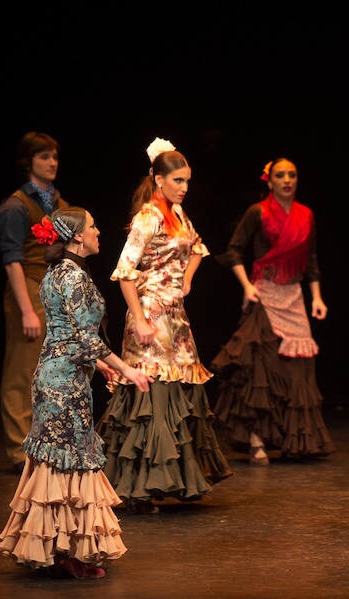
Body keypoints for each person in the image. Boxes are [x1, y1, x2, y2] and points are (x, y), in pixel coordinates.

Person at [0, 206, 153, 579]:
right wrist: (125, 368)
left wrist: (97, 366)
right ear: (79, 237)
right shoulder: (75, 279)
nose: (99, 231)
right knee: (69, 462)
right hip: (64, 384)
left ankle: (55, 547)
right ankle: (68, 551)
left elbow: (63, 336)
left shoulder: (55, 274)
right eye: (94, 225)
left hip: (54, 375)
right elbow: (83, 338)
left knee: (56, 463)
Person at [97, 138, 232, 515]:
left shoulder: (178, 214)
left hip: (176, 315)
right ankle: (140, 486)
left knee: (176, 390)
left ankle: (173, 480)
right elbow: (124, 272)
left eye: (187, 181)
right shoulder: (148, 216)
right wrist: (139, 318)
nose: (184, 187)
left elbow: (199, 248)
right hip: (151, 313)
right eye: (177, 180)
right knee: (150, 395)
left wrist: (186, 279)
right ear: (158, 179)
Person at [209, 157, 335, 465]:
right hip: (264, 294)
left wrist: (316, 298)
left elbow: (312, 261)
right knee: (260, 368)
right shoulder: (259, 212)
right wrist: (246, 286)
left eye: (292, 174)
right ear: (270, 180)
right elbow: (235, 250)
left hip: (293, 295)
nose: (287, 180)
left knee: (297, 370)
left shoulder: (306, 215)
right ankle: (256, 439)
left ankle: (296, 440)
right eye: (281, 175)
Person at [0, 131, 68, 473]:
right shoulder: (15, 206)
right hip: (29, 288)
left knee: (53, 371)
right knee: (23, 372)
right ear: (28, 162)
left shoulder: (55, 200)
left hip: (53, 290)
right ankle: (18, 449)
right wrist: (26, 309)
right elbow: (12, 260)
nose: (51, 163)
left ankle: (47, 440)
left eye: (54, 156)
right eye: (43, 157)